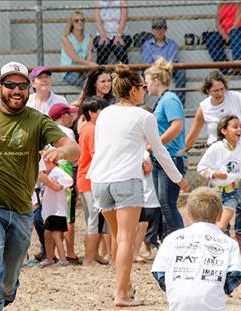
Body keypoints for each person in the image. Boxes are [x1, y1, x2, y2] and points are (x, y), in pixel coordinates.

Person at [0, 61, 80, 310]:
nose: (16, 90)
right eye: (10, 85)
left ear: (29, 88)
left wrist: (59, 153)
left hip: (21, 210)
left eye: (22, 85)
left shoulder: (37, 121)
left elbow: (74, 150)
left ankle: (3, 295)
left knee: (7, 280)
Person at [87, 64, 189, 307]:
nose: (145, 90)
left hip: (100, 181)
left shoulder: (105, 114)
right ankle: (121, 294)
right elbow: (161, 153)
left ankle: (126, 286)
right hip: (126, 181)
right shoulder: (144, 116)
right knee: (125, 240)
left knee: (117, 237)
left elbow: (109, 147)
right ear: (134, 90)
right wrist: (178, 178)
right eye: (142, 87)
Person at [181, 70, 241, 251]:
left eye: (221, 89)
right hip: (218, 158)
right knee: (218, 199)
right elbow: (193, 133)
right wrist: (182, 150)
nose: (219, 93)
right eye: (215, 91)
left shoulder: (236, 99)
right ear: (207, 91)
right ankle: (222, 235)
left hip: (239, 155)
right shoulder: (204, 107)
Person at [151, 187, 241, 311]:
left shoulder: (172, 239)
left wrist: (175, 287)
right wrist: (216, 287)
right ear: (220, 215)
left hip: (179, 305)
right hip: (212, 305)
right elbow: (237, 273)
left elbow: (159, 272)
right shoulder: (228, 242)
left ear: (188, 215)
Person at [144, 58, 186, 243]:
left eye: (147, 82)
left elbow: (176, 126)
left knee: (167, 203)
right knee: (164, 203)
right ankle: (171, 240)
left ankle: (180, 240)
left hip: (171, 156)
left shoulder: (169, 99)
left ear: (155, 80)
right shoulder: (164, 100)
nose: (146, 87)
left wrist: (156, 143)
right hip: (162, 156)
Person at [76, 96, 110, 266]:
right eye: (101, 111)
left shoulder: (86, 128)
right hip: (90, 179)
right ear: (91, 113)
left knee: (94, 218)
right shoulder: (92, 130)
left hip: (86, 178)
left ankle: (94, 255)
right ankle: (89, 258)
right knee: (93, 219)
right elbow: (97, 155)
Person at [48, 103, 80, 262]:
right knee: (68, 216)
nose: (72, 117)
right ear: (62, 116)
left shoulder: (45, 131)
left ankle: (51, 253)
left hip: (48, 174)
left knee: (51, 213)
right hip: (64, 173)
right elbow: (73, 157)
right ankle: (70, 252)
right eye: (69, 114)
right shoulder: (67, 132)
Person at [203, 2, 241, 75]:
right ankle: (227, 70)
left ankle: (238, 66)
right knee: (211, 40)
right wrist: (225, 36)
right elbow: (218, 24)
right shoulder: (221, 2)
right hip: (227, 33)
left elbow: (240, 9)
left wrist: (233, 30)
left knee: (235, 33)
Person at [37, 160, 74, 267]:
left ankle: (63, 260)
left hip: (58, 211)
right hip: (51, 211)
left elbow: (69, 180)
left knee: (56, 236)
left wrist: (61, 185)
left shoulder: (56, 171)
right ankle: (50, 258)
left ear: (51, 163)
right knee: (47, 235)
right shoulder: (49, 174)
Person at [141, 18, 186, 105]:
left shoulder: (172, 44)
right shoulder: (147, 45)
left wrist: (158, 62)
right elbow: (147, 62)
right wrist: (161, 63)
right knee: (141, 73)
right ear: (152, 30)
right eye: (156, 28)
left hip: (168, 69)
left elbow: (172, 61)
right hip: (152, 70)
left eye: (161, 28)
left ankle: (180, 104)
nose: (159, 31)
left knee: (181, 72)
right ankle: (141, 103)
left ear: (165, 29)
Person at [61, 11, 95, 86]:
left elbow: (89, 57)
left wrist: (88, 66)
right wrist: (91, 64)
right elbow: (75, 59)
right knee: (89, 84)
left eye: (82, 20)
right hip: (70, 70)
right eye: (76, 20)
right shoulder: (66, 38)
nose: (80, 22)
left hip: (84, 69)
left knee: (97, 78)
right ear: (72, 23)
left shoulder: (89, 37)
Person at [93, 0, 132, 65]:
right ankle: (101, 72)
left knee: (118, 46)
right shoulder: (98, 1)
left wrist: (118, 36)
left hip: (121, 34)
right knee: (103, 45)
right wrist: (103, 36)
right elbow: (97, 20)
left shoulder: (121, 1)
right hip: (103, 34)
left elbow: (123, 19)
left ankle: (124, 71)